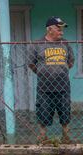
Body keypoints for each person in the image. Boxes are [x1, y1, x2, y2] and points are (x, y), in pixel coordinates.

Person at [29, 16, 75, 144]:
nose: (62, 32)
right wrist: (43, 73)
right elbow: (31, 63)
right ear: (49, 29)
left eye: (62, 29)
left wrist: (61, 71)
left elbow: (71, 61)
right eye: (58, 29)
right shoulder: (37, 44)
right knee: (43, 111)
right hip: (44, 87)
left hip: (63, 85)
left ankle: (66, 137)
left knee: (65, 112)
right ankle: (43, 137)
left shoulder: (65, 43)